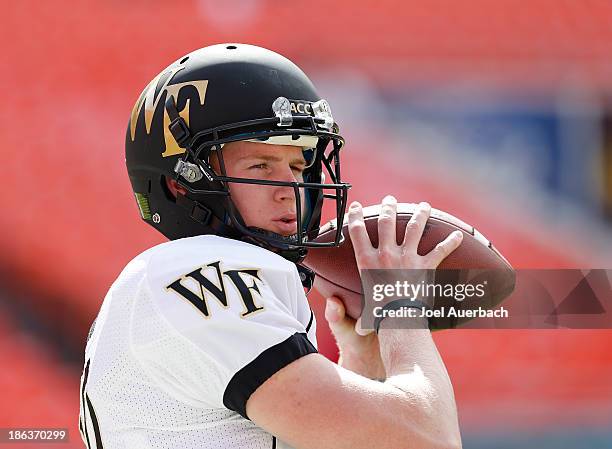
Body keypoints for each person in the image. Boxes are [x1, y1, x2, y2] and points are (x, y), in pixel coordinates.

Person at [78, 43, 463, 449]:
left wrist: (361, 362)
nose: (292, 189)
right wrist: (400, 303)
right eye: (260, 166)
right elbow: (427, 439)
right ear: (181, 183)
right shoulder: (198, 268)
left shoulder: (173, 285)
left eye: (298, 166)